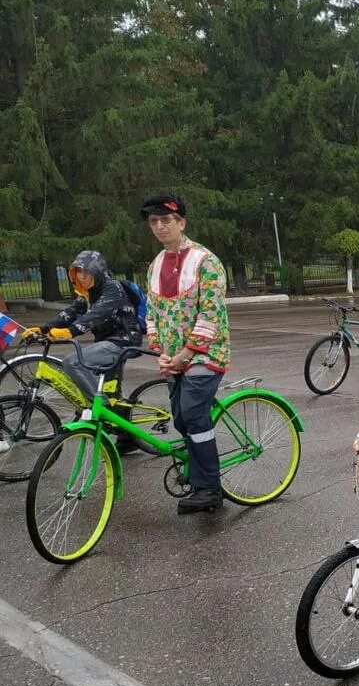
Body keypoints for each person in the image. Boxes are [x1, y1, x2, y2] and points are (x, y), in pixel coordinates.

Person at [140, 194, 231, 514]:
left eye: (166, 220)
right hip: (174, 359)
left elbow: (212, 314)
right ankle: (200, 474)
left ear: (181, 223)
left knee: (193, 414)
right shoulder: (155, 264)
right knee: (180, 419)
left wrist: (188, 352)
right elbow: (150, 313)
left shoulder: (206, 261)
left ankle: (210, 488)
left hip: (206, 355)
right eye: (154, 221)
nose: (160, 226)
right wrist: (159, 351)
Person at [24, 250, 143, 401]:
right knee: (108, 389)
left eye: (87, 272)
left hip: (123, 341)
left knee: (73, 363)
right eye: (78, 271)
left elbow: (97, 314)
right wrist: (44, 328)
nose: (82, 276)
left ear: (98, 272)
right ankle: (113, 414)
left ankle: (101, 407)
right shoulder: (89, 292)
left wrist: (70, 331)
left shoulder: (112, 288)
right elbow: (71, 312)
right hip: (105, 342)